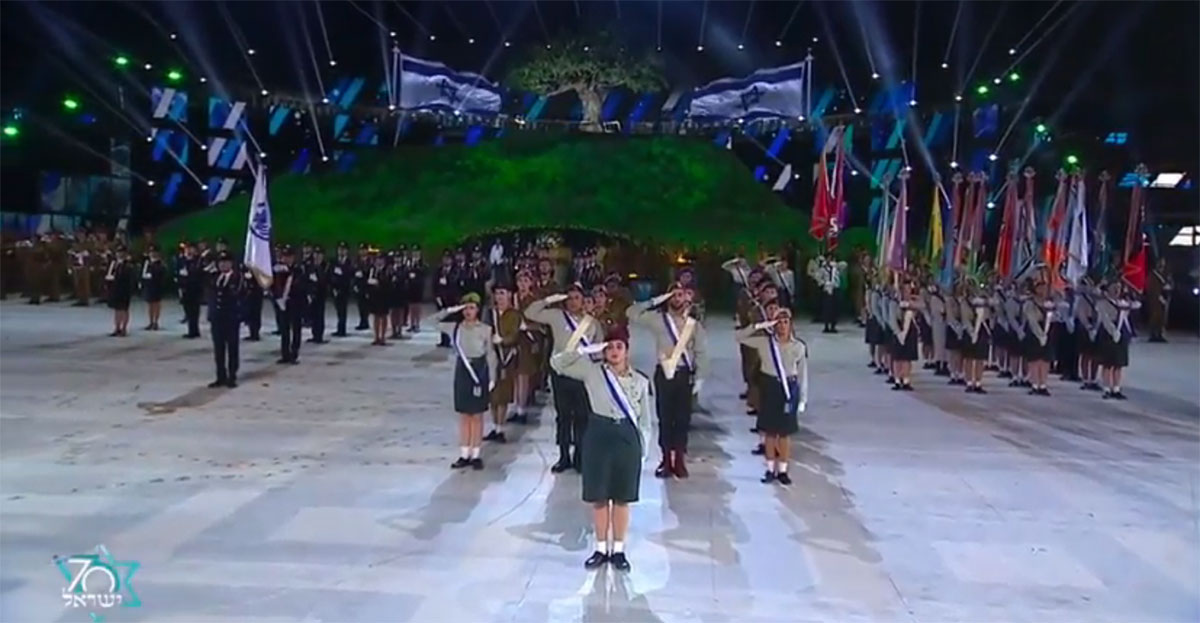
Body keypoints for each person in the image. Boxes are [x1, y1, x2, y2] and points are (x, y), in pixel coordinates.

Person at [550, 325, 652, 572]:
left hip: (627, 438)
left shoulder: (640, 381)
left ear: (627, 351)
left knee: (621, 497)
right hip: (598, 434)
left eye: (619, 347)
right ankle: (599, 547)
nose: (615, 352)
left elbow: (645, 421)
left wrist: (643, 450)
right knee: (599, 496)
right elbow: (557, 363)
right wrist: (587, 349)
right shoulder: (592, 372)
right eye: (610, 347)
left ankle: (618, 550)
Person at [627, 284, 708, 479]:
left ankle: (679, 459)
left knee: (682, 419)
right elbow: (631, 312)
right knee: (664, 418)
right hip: (664, 374)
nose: (676, 298)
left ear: (687, 299)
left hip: (684, 374)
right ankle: (665, 459)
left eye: (680, 295)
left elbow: (701, 353)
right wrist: (656, 300)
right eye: (673, 294)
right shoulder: (658, 321)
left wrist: (700, 378)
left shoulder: (693, 325)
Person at [525, 285, 604, 474]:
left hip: (583, 377)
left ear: (583, 300)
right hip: (561, 375)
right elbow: (530, 312)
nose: (572, 301)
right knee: (563, 417)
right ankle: (563, 457)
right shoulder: (556, 316)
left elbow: (599, 350)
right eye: (569, 298)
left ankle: (579, 456)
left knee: (582, 418)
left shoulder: (592, 323)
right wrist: (549, 299)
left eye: (577, 298)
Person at [734, 308, 808, 485]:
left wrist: (803, 398)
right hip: (769, 387)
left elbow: (803, 374)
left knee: (784, 433)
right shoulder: (764, 343)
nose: (782, 326)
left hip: (788, 389)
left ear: (791, 324)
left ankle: (782, 470)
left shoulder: (798, 346)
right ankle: (769, 469)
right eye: (778, 322)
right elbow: (739, 337)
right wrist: (759, 325)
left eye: (785, 322)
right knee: (769, 431)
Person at [433, 293, 498, 470]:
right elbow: (433, 322)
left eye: (472, 307)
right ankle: (464, 454)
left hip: (479, 370)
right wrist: (449, 310)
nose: (468, 311)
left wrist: (493, 377)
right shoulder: (455, 327)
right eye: (465, 308)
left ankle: (476, 454)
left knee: (477, 415)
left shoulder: (486, 329)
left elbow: (491, 354)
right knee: (464, 414)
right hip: (463, 370)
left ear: (478, 310)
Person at [485, 283, 521, 443]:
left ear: (509, 295)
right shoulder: (488, 313)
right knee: (493, 394)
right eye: (497, 293)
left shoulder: (514, 315)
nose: (499, 297)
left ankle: (500, 428)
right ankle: (494, 426)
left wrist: (503, 340)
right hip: (491, 357)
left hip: (507, 357)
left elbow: (514, 335)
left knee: (503, 394)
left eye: (502, 293)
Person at [1096, 281, 1139, 399]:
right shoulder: (1102, 303)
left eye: (1119, 287)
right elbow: (1104, 318)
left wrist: (1131, 295)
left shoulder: (1123, 303)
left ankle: (1116, 388)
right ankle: (1106, 388)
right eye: (1114, 287)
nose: (1117, 290)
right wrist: (1113, 331)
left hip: (1122, 333)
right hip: (1108, 333)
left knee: (1118, 363)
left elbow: (1136, 306)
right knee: (1107, 363)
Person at [510, 270, 542, 424]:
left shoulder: (534, 301)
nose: (522, 284)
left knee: (523, 376)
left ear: (531, 283)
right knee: (515, 376)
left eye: (526, 281)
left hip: (527, 341)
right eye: (520, 281)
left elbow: (540, 324)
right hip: (512, 341)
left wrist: (527, 326)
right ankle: (516, 407)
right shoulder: (512, 299)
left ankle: (522, 409)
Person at [208, 251, 242, 388]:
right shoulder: (214, 277)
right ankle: (220, 375)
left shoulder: (237, 278)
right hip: (217, 318)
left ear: (231, 263)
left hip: (231, 318)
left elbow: (240, 295)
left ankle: (232, 375)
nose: (223, 265)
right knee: (218, 348)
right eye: (221, 262)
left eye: (226, 262)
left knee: (232, 348)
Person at [272, 246, 307, 364]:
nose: (287, 259)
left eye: (289, 257)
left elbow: (301, 286)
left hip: (295, 303)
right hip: (283, 303)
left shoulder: (298, 270)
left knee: (296, 329)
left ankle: (294, 353)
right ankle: (285, 354)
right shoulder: (278, 270)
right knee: (284, 329)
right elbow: (275, 285)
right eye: (284, 257)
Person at [1023, 280, 1055, 396]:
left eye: (1045, 288)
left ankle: (1043, 384)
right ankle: (1035, 384)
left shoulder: (1049, 303)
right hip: (1034, 332)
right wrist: (1040, 335)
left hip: (1047, 331)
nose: (1043, 290)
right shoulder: (1030, 303)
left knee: (1045, 359)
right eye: (1040, 288)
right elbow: (1031, 320)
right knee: (1034, 359)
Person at [889, 280, 921, 390]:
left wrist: (911, 304)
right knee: (897, 357)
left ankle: (906, 379)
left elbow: (922, 307)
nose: (908, 292)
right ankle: (897, 379)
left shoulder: (913, 301)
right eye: (906, 290)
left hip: (911, 332)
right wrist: (898, 333)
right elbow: (892, 318)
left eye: (909, 290)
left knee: (907, 358)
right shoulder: (894, 302)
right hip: (898, 330)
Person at [962, 283, 993, 394]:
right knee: (969, 358)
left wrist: (986, 299)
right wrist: (972, 332)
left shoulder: (983, 301)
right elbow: (965, 318)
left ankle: (978, 382)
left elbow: (991, 308)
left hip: (982, 331)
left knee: (980, 358)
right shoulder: (965, 302)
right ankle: (969, 382)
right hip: (970, 330)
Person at [104, 246, 134, 337]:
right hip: (115, 288)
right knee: (117, 309)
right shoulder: (114, 263)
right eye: (118, 252)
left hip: (124, 289)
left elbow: (129, 278)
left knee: (124, 309)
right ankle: (117, 328)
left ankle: (124, 328)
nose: (120, 254)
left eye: (122, 253)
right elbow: (110, 273)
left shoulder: (128, 265)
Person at [178, 242, 204, 339]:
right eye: (187, 249)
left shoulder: (198, 261)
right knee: (187, 310)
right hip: (185, 289)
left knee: (194, 310)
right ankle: (191, 329)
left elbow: (198, 273)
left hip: (194, 289)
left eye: (190, 249)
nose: (188, 251)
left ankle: (194, 330)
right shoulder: (183, 261)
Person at [364, 252, 391, 346]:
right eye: (377, 260)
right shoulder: (372, 270)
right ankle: (376, 336)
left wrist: (378, 282)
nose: (378, 261)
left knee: (383, 317)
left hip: (384, 296)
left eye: (381, 259)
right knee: (375, 316)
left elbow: (388, 282)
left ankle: (383, 337)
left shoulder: (387, 270)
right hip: (374, 296)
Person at [140, 245, 167, 330]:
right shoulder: (147, 262)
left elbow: (162, 275)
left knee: (156, 304)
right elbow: (143, 272)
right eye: (151, 252)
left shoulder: (160, 264)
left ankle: (156, 322)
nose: (152, 254)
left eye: (154, 252)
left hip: (156, 286)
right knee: (150, 305)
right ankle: (151, 321)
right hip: (148, 285)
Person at [330, 242, 354, 337]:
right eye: (340, 249)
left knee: (343, 310)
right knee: (338, 309)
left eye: (343, 249)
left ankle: (342, 329)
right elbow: (331, 274)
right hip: (335, 288)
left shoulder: (349, 262)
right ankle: (339, 328)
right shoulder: (334, 261)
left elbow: (350, 275)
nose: (341, 251)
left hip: (344, 289)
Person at [306, 246, 329, 343]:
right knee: (313, 315)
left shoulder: (326, 265)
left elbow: (327, 279)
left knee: (319, 315)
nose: (317, 256)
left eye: (319, 254)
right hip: (311, 293)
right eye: (315, 254)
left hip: (321, 293)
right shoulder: (310, 265)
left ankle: (319, 335)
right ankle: (314, 334)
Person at [1146, 258, 1172, 342]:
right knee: (1155, 316)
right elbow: (1152, 288)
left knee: (1162, 318)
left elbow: (1169, 284)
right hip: (1155, 300)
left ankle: (1160, 334)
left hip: (1164, 299)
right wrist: (1159, 297)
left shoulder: (1165, 275)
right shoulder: (1153, 275)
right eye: (1160, 263)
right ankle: (1153, 334)